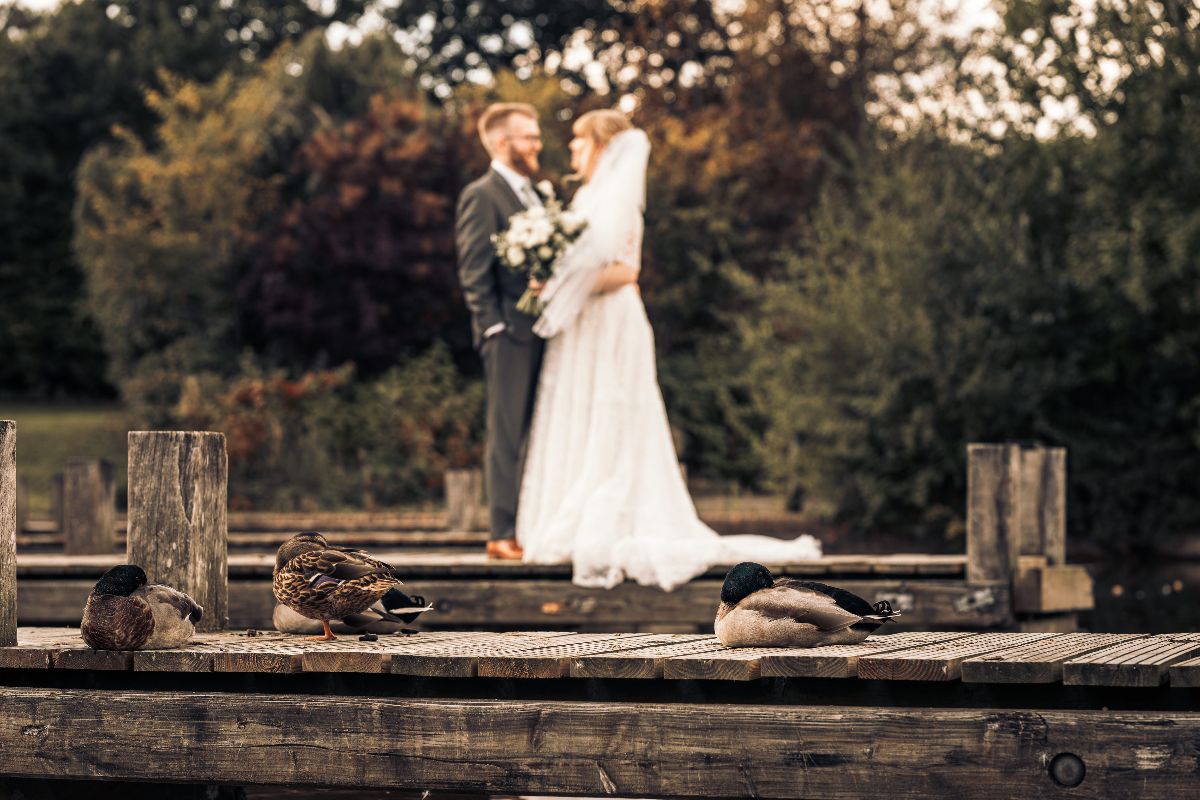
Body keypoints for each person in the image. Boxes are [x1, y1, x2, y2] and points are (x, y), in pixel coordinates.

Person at [516, 109, 822, 590]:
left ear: (604, 146)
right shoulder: (584, 197)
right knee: (579, 412)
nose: (572, 148)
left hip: (614, 321)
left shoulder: (620, 201)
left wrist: (563, 285)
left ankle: (612, 519)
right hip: (584, 326)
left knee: (614, 418)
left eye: (579, 140)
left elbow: (625, 270)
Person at [454, 103, 546, 560]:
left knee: (542, 430)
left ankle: (534, 525)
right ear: (501, 142)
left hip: (547, 328)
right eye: (528, 136)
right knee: (506, 432)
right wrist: (492, 326)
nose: (537, 144)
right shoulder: (482, 194)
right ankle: (501, 532)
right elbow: (473, 270)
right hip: (508, 332)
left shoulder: (538, 194)